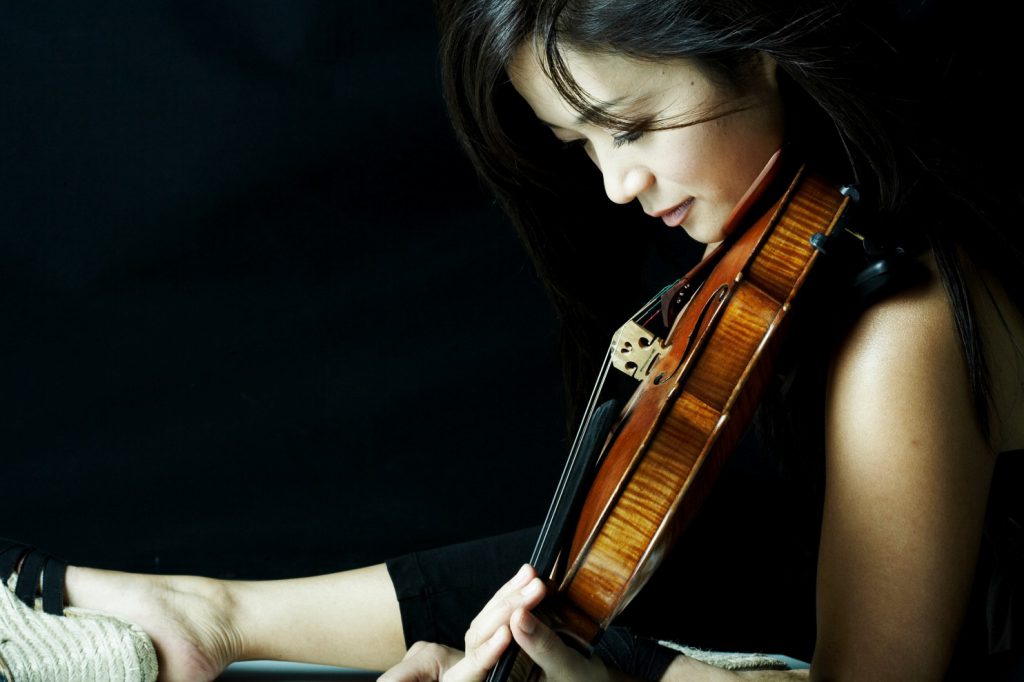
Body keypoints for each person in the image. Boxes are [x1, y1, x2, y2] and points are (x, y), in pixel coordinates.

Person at [2, 0, 1022, 680]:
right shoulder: (810, 253)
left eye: (629, 126)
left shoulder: (907, 317)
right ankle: (209, 617)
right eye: (580, 145)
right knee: (599, 568)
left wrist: (627, 673)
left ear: (758, 47)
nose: (617, 186)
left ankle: (207, 617)